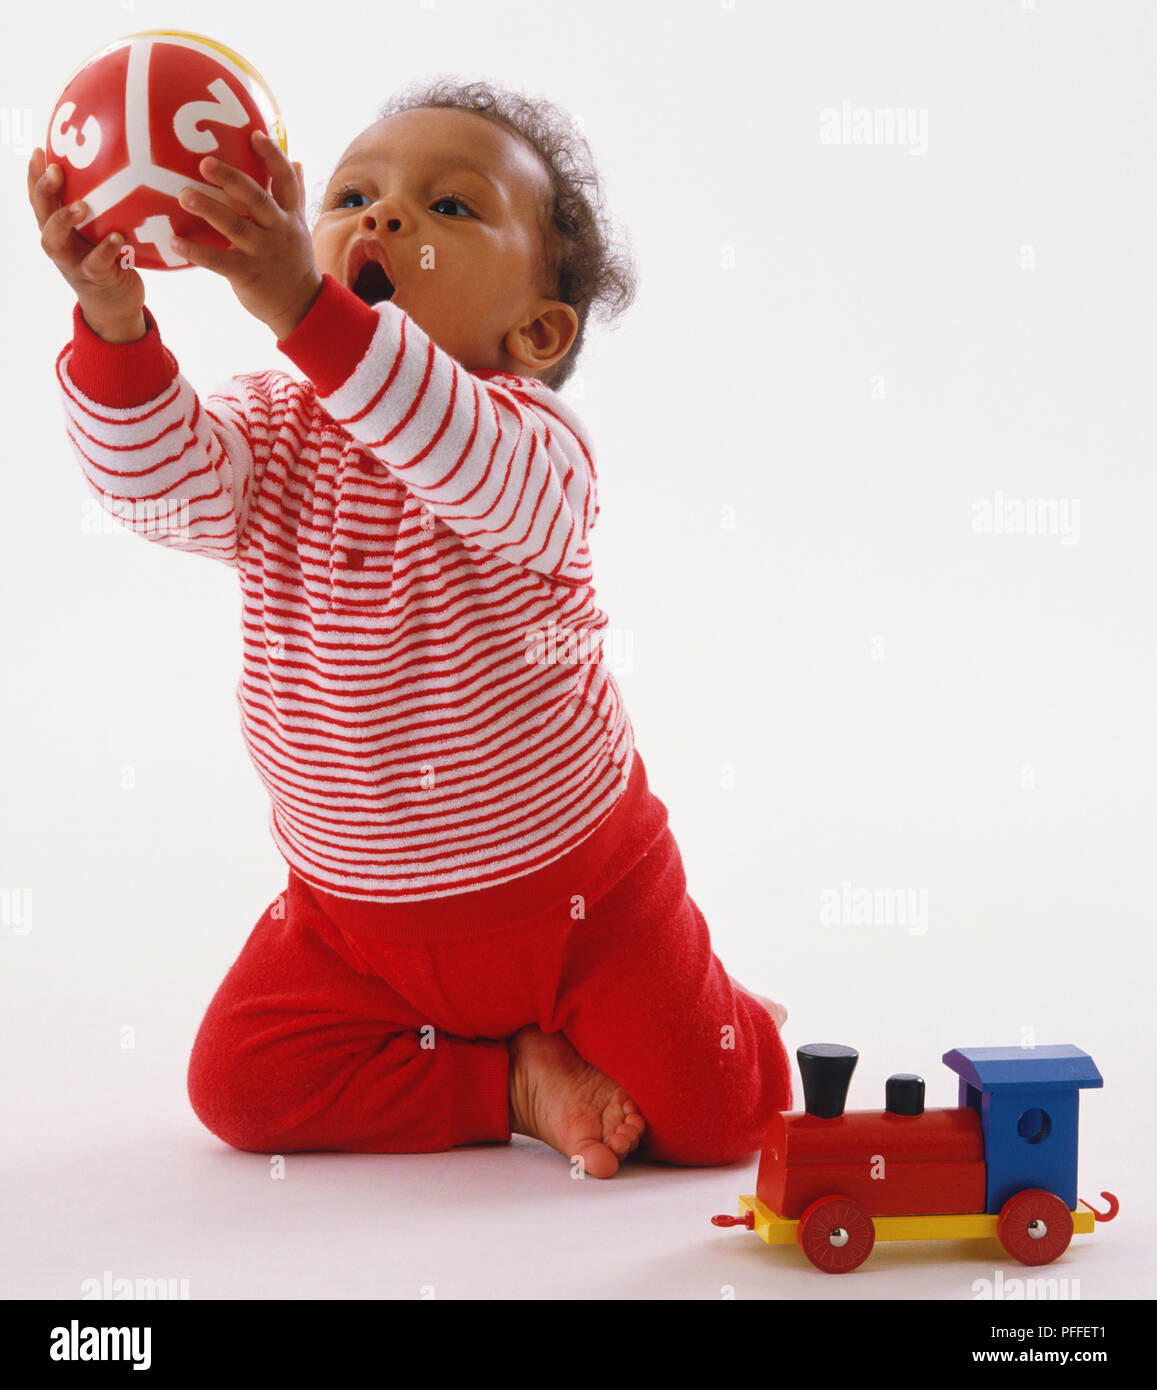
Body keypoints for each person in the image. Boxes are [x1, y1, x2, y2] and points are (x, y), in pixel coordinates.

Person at [30, 78, 790, 1178]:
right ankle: (510, 1080)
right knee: (237, 1085)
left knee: (723, 1114)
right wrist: (113, 320)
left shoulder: (531, 447)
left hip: (582, 897)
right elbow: (157, 492)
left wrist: (305, 304)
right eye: (350, 194)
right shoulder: (271, 423)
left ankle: (706, 1005)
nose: (384, 218)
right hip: (353, 924)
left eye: (451, 209)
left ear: (534, 330)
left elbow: (453, 451)